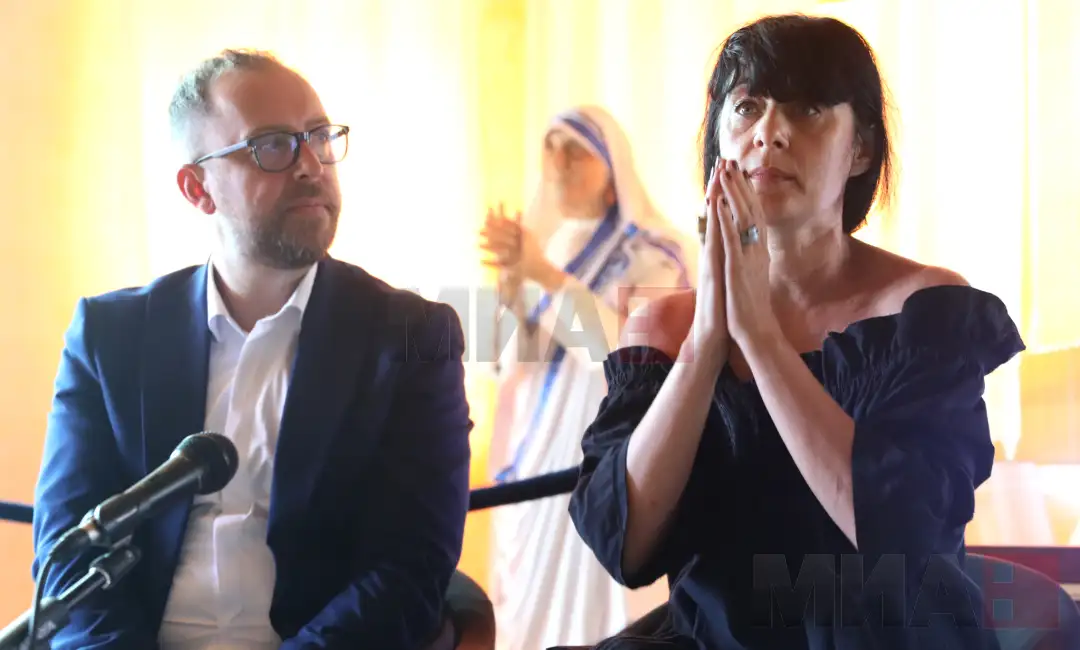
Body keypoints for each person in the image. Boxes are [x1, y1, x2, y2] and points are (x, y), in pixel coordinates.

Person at [567, 15, 1024, 650]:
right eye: (746, 107)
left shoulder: (922, 311)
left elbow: (901, 534)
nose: (769, 132)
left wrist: (759, 337)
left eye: (807, 108)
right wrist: (707, 341)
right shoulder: (664, 328)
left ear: (860, 149)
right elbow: (623, 542)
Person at [31, 49, 473, 650]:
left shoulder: (412, 337)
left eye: (320, 137)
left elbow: (408, 570)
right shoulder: (110, 337)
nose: (311, 165)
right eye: (273, 145)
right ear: (197, 188)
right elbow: (69, 560)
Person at [479, 105, 695, 650]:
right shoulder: (553, 247)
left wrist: (544, 275)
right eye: (550, 147)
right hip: (540, 454)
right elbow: (512, 362)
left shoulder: (656, 253)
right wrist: (511, 289)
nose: (558, 162)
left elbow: (622, 354)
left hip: (609, 455)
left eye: (575, 150)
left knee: (600, 614)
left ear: (611, 170)